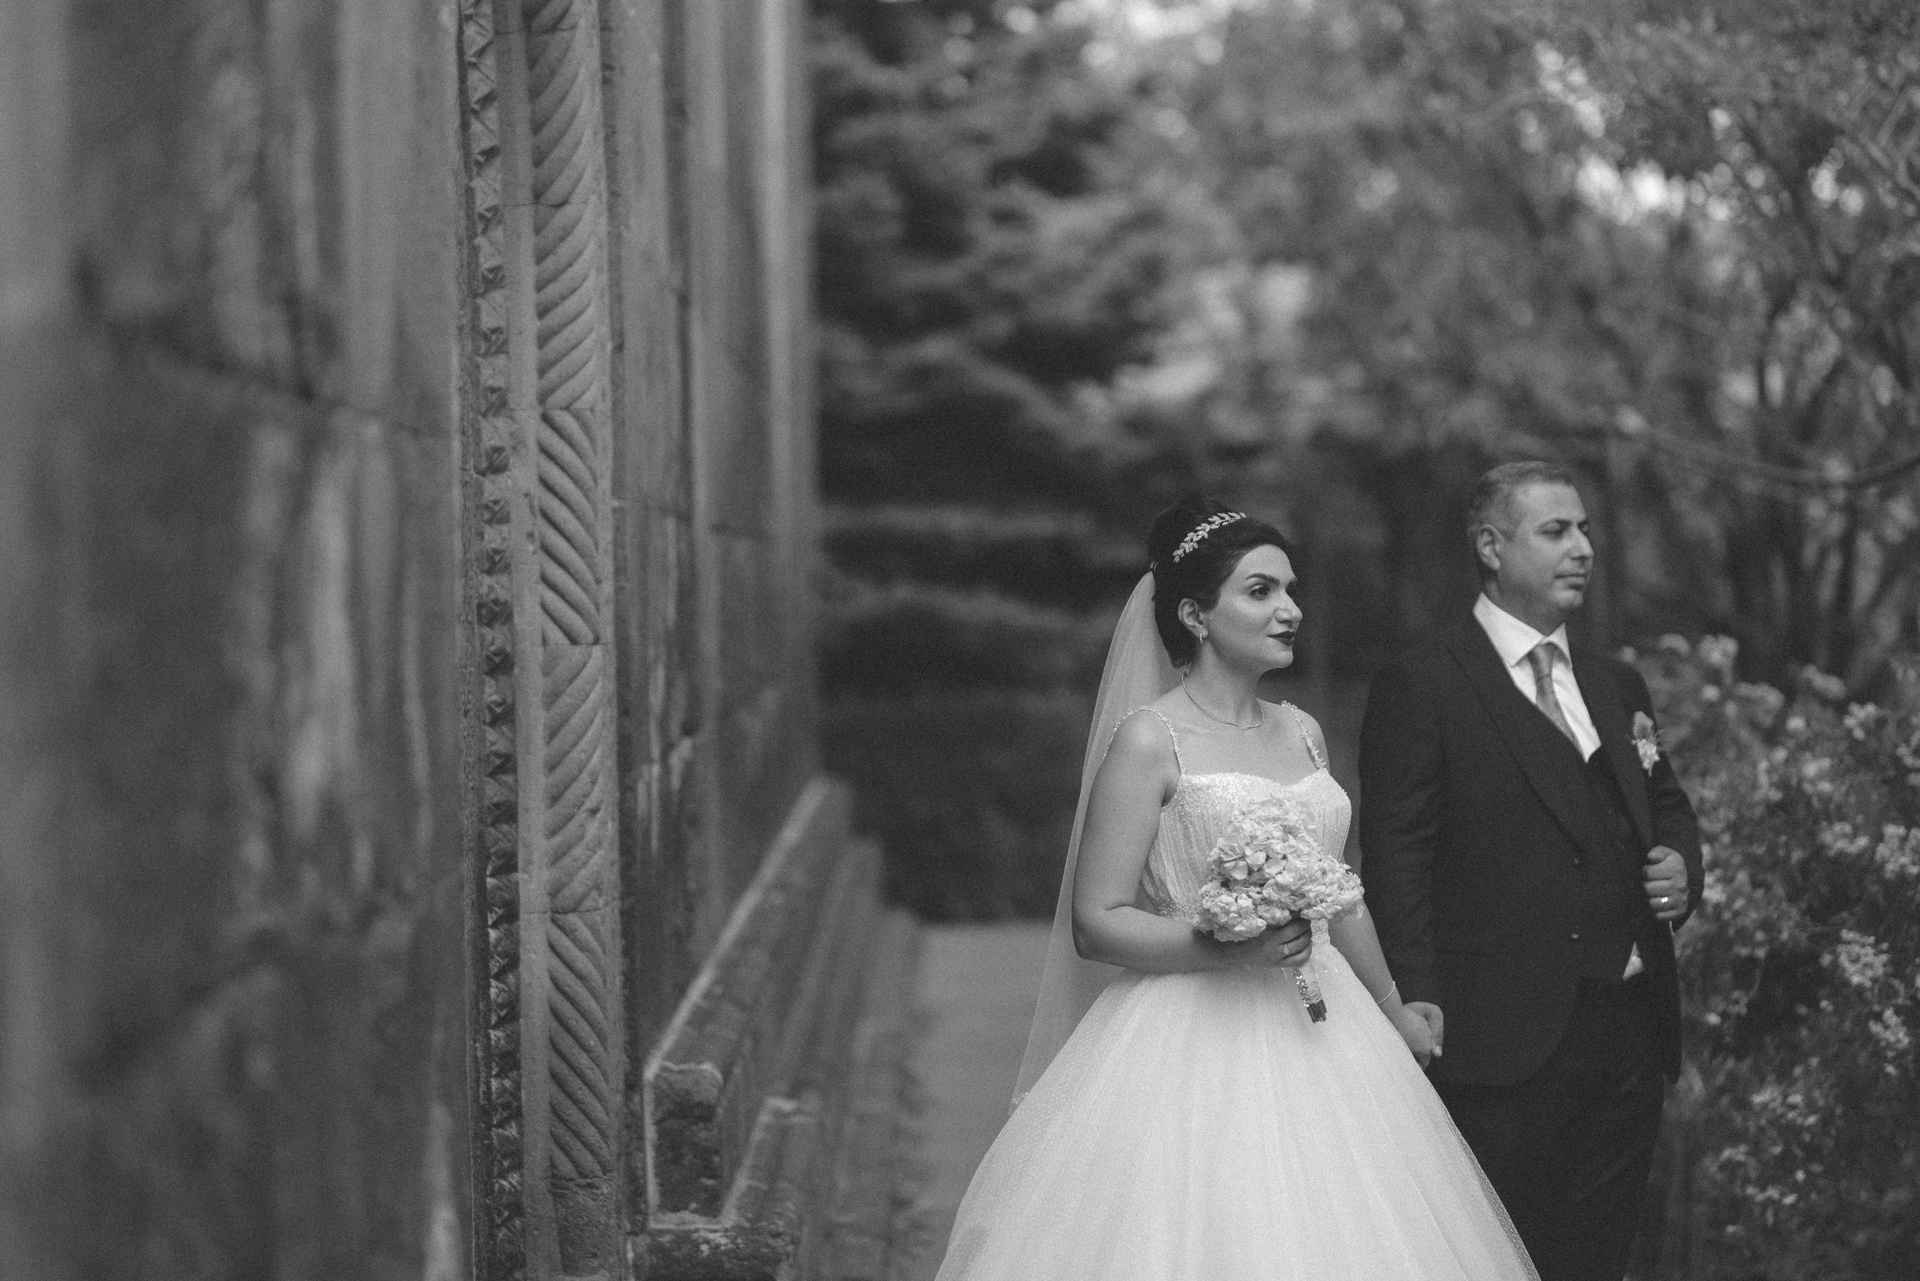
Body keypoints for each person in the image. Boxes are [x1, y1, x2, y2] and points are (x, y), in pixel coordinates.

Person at [933, 496, 1538, 1281]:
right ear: (1195, 614)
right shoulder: (1149, 738)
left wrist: (1394, 1008)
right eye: (1260, 590)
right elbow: (1096, 920)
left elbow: (1339, 891)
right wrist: (1225, 946)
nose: (1290, 609)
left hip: (1326, 1027)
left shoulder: (1303, 730)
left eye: (1290, 589)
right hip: (1187, 1036)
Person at [1359, 461, 1703, 1281]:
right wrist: (1415, 996)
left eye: (1584, 529)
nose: (1583, 548)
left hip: (1630, 1030)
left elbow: (1666, 803)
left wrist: (1681, 865)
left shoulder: (1614, 682)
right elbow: (1397, 853)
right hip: (1497, 1037)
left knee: (1598, 1261)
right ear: (1490, 546)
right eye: (1556, 531)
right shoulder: (1425, 681)